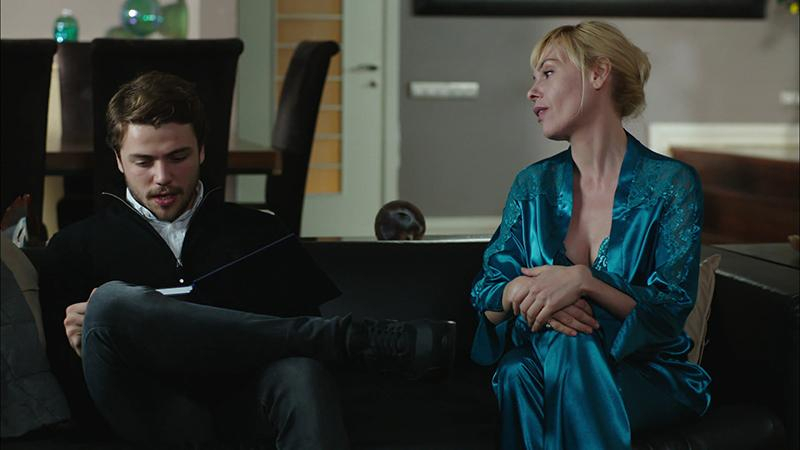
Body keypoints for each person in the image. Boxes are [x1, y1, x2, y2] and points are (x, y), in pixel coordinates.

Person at [41, 71, 456, 449]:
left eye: (178, 157)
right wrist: (85, 347)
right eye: (143, 162)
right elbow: (66, 390)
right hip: (153, 414)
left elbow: (309, 357)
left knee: (301, 374)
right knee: (109, 304)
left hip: (247, 408)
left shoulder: (261, 233)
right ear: (118, 160)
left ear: (202, 151)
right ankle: (353, 338)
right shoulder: (73, 249)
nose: (162, 177)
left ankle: (343, 340)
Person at [470, 21, 711, 449]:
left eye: (547, 73)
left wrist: (584, 282)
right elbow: (487, 296)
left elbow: (669, 312)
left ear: (598, 73)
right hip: (547, 362)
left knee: (539, 362)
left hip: (645, 375)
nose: (531, 91)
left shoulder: (672, 183)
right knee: (518, 370)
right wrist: (525, 291)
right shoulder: (532, 185)